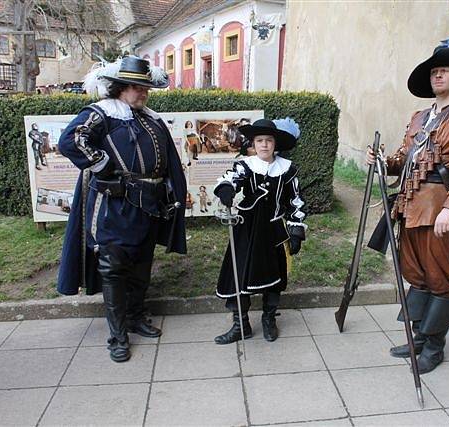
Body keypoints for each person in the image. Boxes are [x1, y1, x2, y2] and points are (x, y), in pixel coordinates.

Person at [366, 37, 449, 373]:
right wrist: (382, 162)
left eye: (444, 71)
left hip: (439, 210)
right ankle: (419, 335)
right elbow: (404, 159)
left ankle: (435, 346)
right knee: (416, 275)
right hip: (409, 206)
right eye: (434, 71)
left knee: (440, 277)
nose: (437, 76)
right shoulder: (419, 118)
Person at [57, 56, 187, 362]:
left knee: (142, 263)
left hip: (150, 204)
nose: (142, 93)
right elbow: (71, 140)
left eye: (144, 88)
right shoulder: (102, 113)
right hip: (114, 207)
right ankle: (117, 335)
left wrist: (172, 191)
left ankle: (135, 317)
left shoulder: (150, 118)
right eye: (134, 87)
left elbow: (166, 158)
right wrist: (103, 164)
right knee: (114, 269)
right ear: (120, 87)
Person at [213, 118, 306, 344]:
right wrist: (226, 190)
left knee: (274, 278)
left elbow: (296, 202)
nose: (264, 145)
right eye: (259, 141)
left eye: (269, 140)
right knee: (239, 276)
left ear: (275, 144)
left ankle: (268, 319)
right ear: (253, 144)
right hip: (246, 229)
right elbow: (230, 179)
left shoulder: (287, 170)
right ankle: (240, 325)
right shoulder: (245, 166)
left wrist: (295, 231)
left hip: (274, 230)